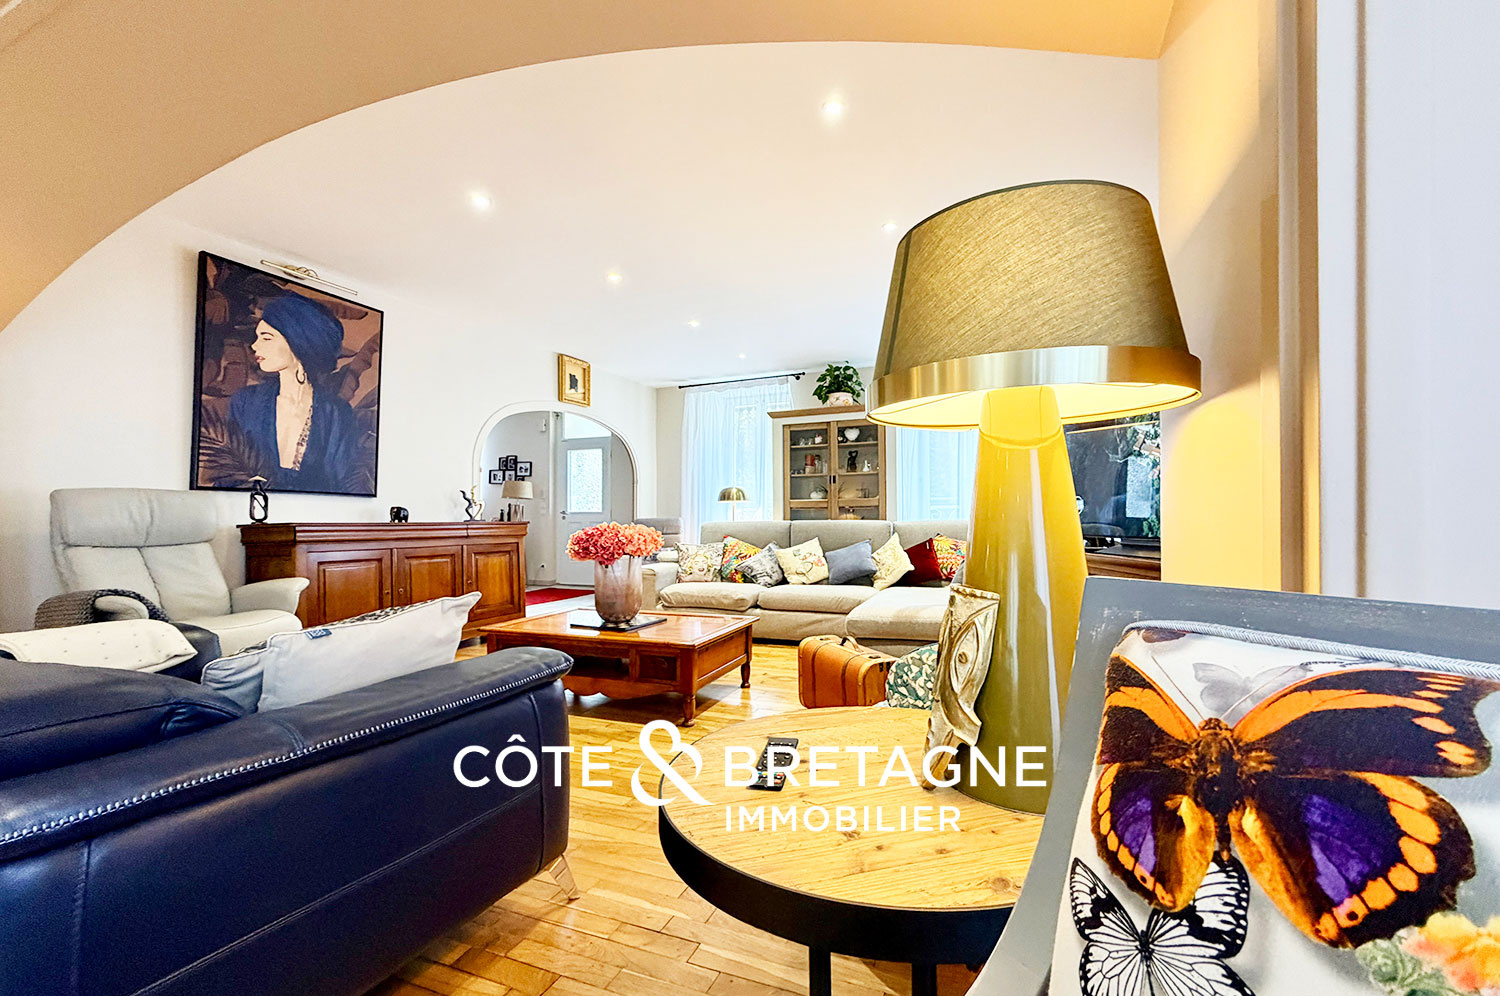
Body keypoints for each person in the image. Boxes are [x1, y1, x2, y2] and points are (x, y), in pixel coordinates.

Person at [226, 293, 368, 493]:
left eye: (266, 338)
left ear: (296, 341)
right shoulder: (245, 402)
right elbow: (227, 472)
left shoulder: (336, 412)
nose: (255, 345)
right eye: (258, 337)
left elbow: (344, 482)